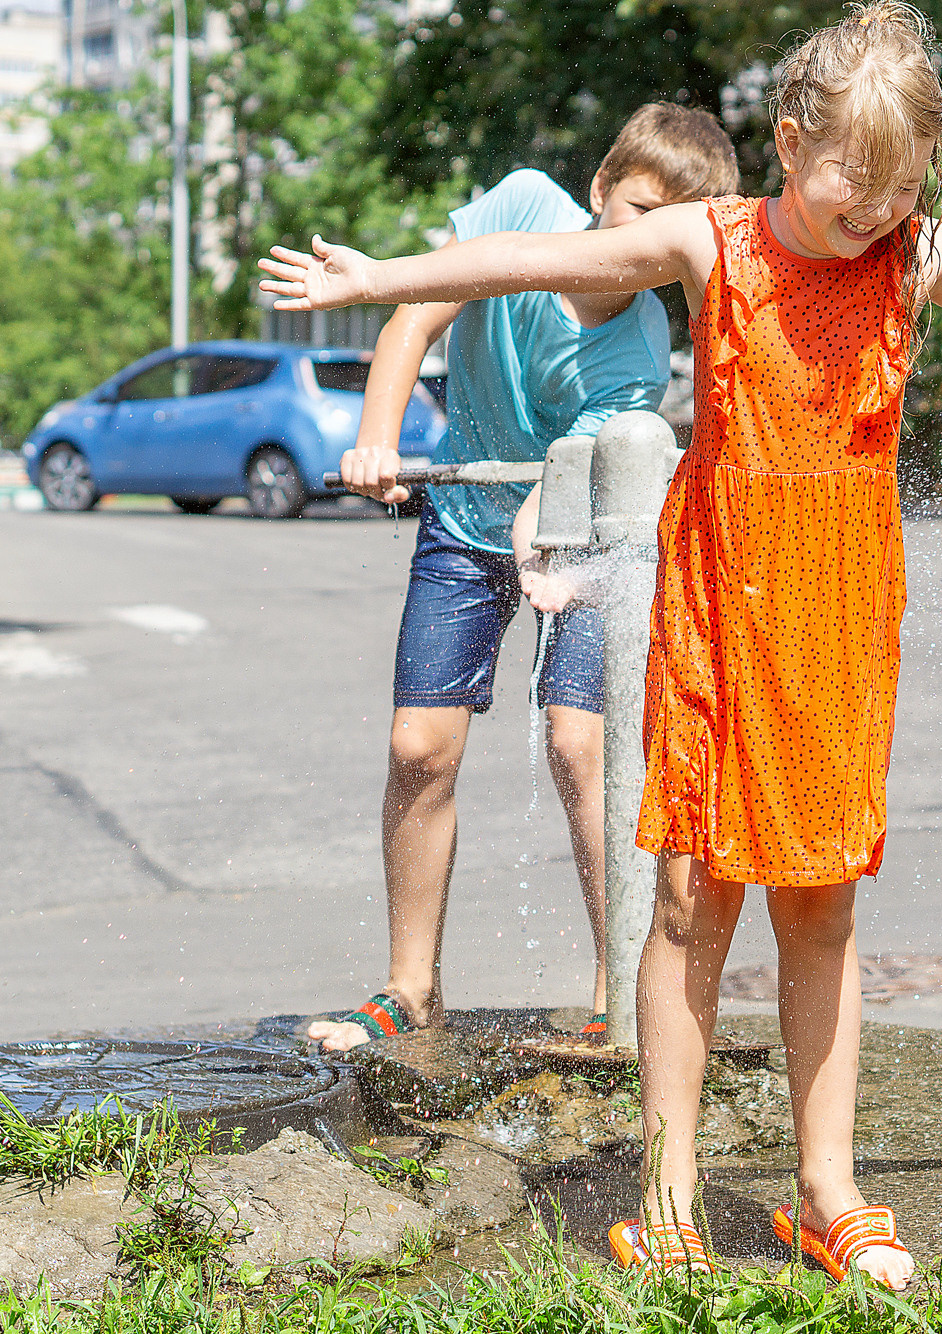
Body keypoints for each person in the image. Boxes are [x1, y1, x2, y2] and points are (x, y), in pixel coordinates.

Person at [261, 0, 942, 1287]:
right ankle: (668, 1194)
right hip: (717, 604)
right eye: (857, 178)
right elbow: (519, 267)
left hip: (840, 616)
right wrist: (376, 283)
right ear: (789, 141)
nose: (877, 208)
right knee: (687, 899)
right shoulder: (708, 242)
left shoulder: (913, 257)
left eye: (903, 187)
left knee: (825, 902)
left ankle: (825, 1186)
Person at [307, 104, 740, 1054]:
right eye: (637, 209)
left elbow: (574, 477)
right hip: (464, 516)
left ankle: (619, 993)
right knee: (419, 748)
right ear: (598, 191)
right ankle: (409, 987)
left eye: (680, 228)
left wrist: (544, 536)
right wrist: (377, 437)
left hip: (580, 530)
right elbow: (414, 318)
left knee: (582, 746)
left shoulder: (636, 348)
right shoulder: (524, 206)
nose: (649, 240)